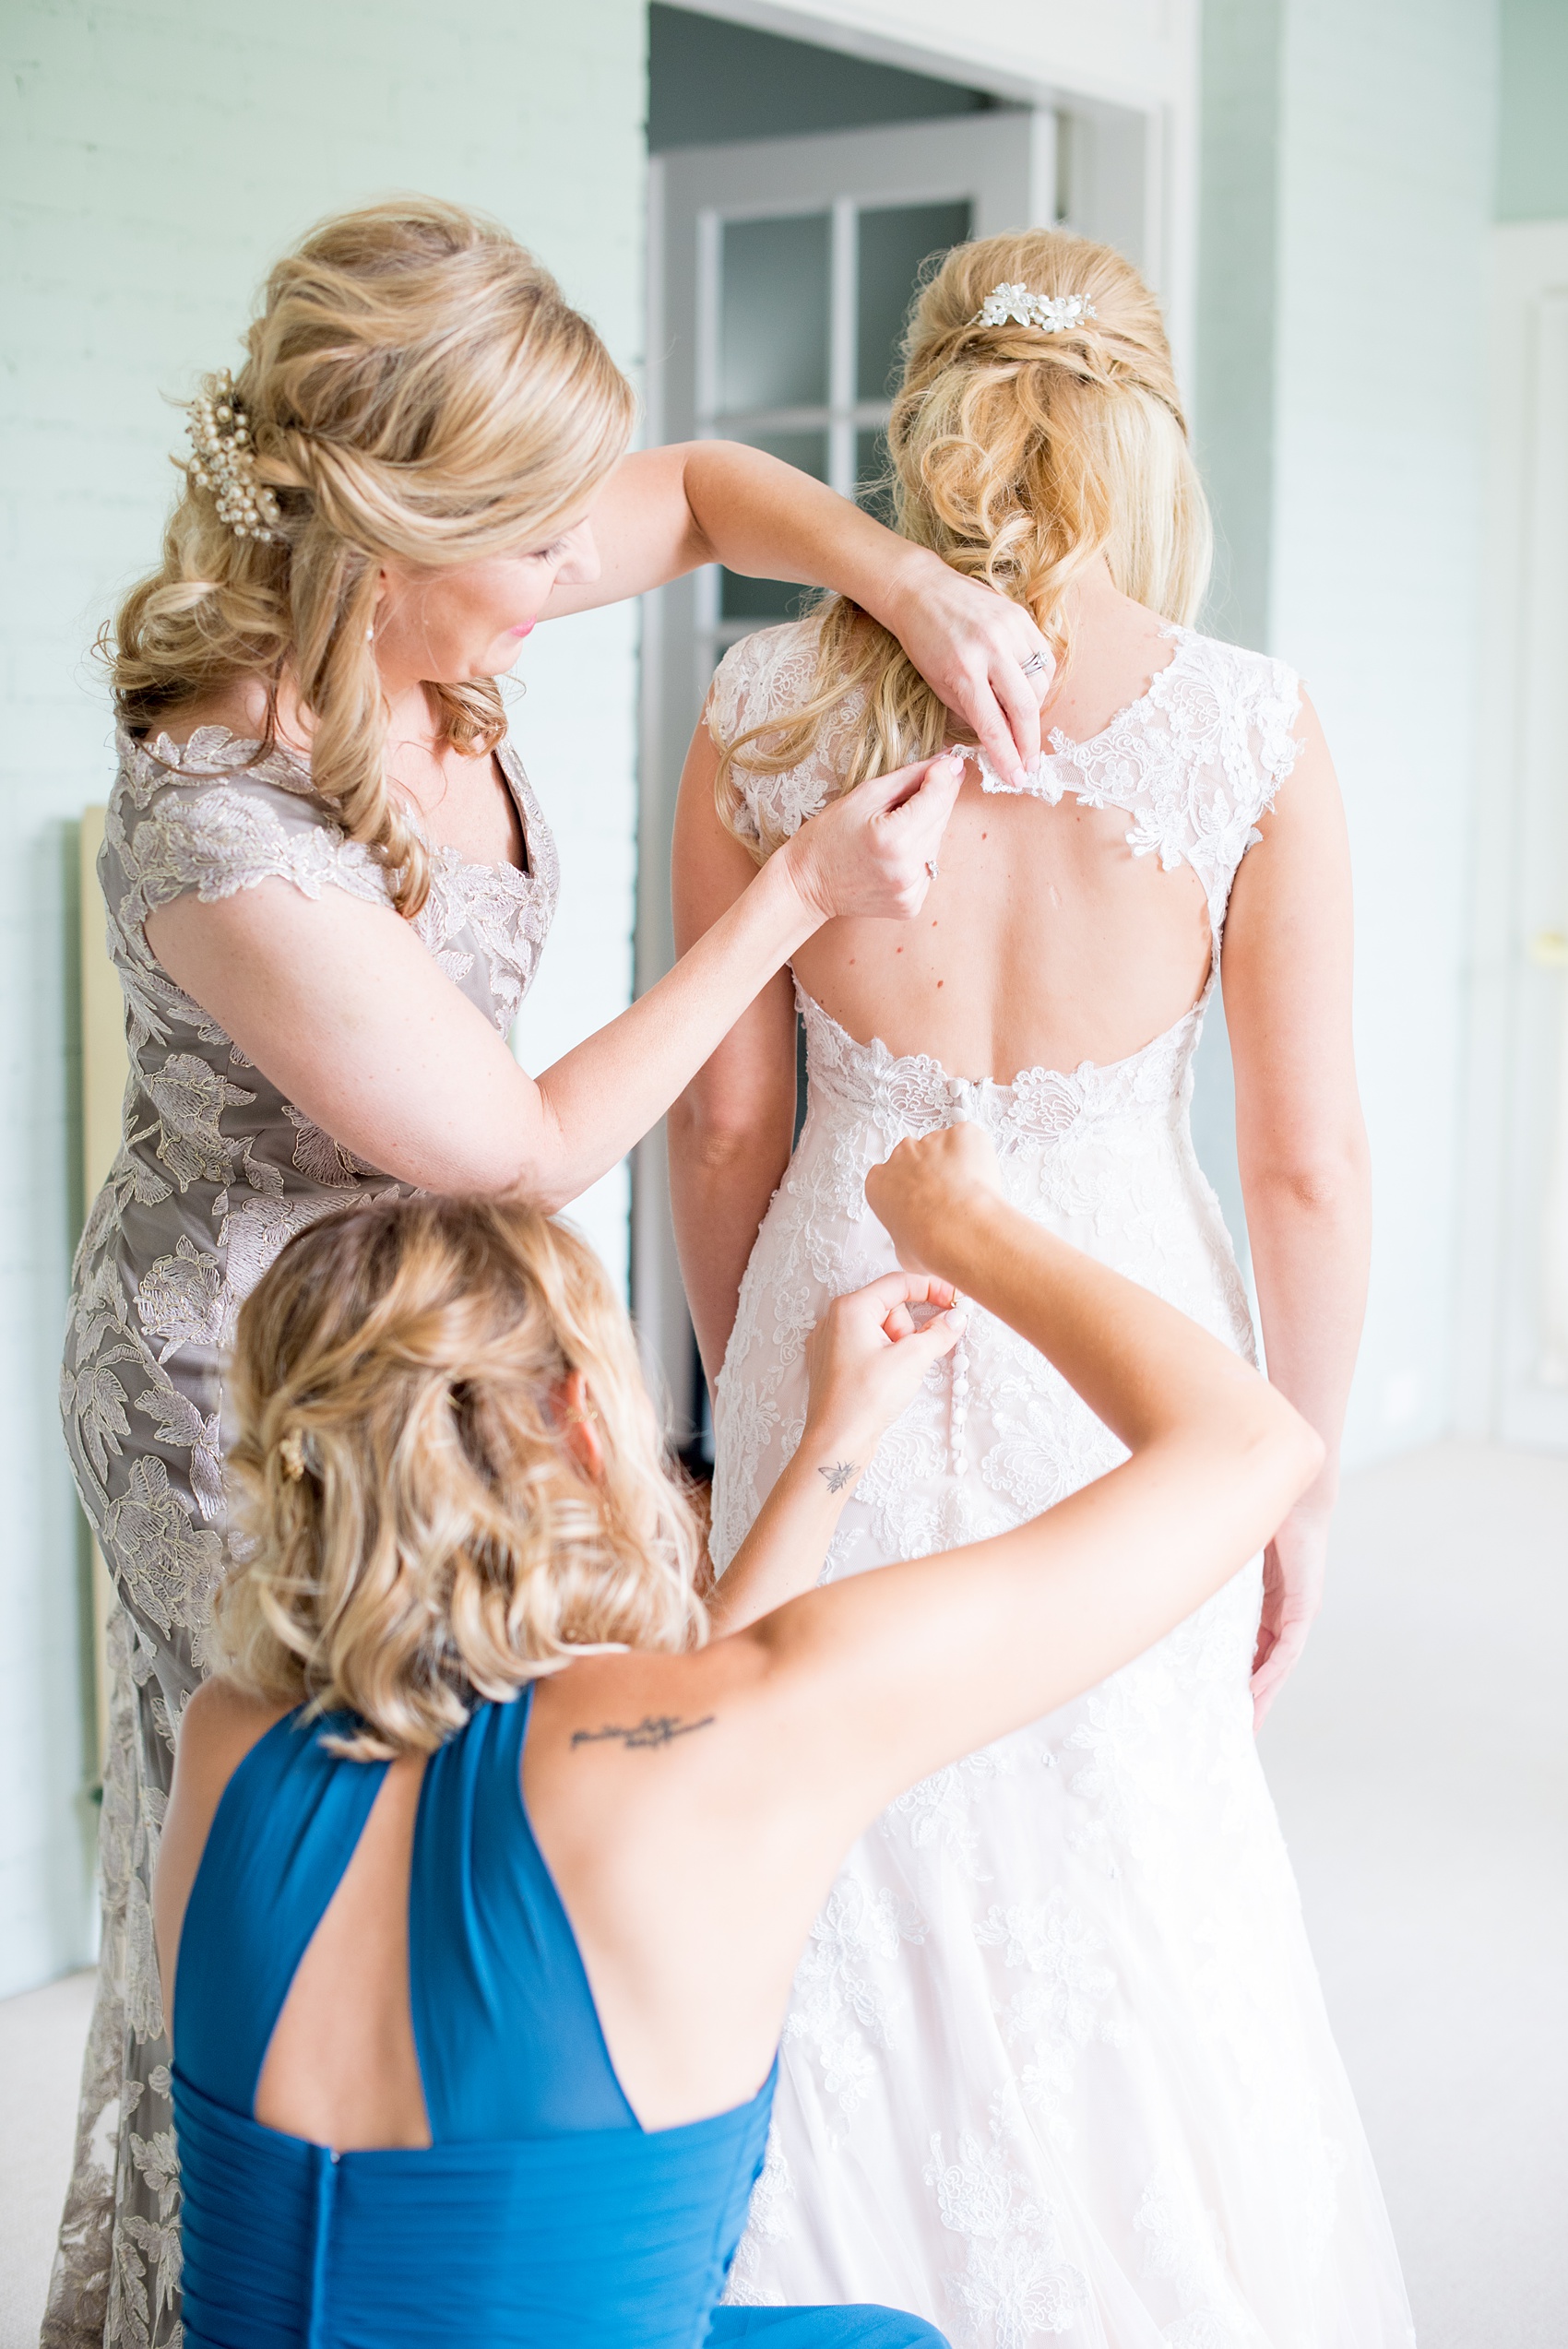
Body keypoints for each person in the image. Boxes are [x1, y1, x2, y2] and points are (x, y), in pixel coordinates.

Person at [52, 196, 1055, 2349]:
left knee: (498, 1780)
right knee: (270, 1860)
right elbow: (522, 1145)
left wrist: (900, 573)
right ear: (391, 536)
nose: (561, 576)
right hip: (246, 1366)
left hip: (437, 1321)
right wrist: (794, 889)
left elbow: (693, 497)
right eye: (522, 549)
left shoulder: (434, 587)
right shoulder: (221, 816)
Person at [669, 231, 1412, 2341]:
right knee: (1124, 1825)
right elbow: (1303, 1158)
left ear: (917, 422)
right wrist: (1301, 1476)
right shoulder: (1246, 727)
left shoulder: (760, 703)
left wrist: (757, 1399)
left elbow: (723, 1126)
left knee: (821, 1806)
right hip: (1130, 1356)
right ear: (1144, 429)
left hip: (838, 1303)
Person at [152, 1127, 1321, 2349]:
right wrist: (959, 1220)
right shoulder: (724, 1743)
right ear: (576, 1419)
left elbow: (686, 1736)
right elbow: (1254, 1448)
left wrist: (833, 1447)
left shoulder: (225, 1746)